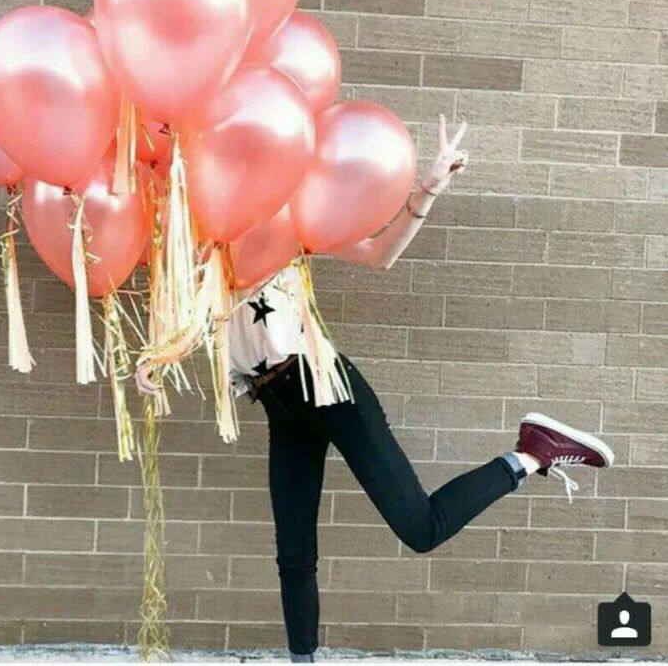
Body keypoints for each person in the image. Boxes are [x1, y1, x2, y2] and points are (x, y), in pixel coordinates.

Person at [139, 115, 616, 662]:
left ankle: (530, 453)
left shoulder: (282, 217)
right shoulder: (192, 243)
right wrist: (157, 356)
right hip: (279, 404)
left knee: (421, 528)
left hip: (328, 387)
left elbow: (379, 254)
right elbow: (198, 320)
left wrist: (427, 189)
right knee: (293, 553)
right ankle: (303, 659)